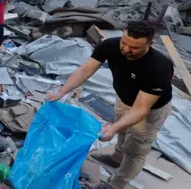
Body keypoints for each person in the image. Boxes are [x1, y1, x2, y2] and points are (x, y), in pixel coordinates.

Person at [47, 21, 173, 189]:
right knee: (122, 130)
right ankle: (117, 157)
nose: (127, 50)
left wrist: (112, 128)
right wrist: (62, 92)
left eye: (135, 48)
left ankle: (116, 184)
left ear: (150, 43)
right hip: (124, 98)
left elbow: (141, 108)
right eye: (124, 43)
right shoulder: (109, 46)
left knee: (136, 149)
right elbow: (85, 70)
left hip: (150, 110)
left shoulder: (159, 67)